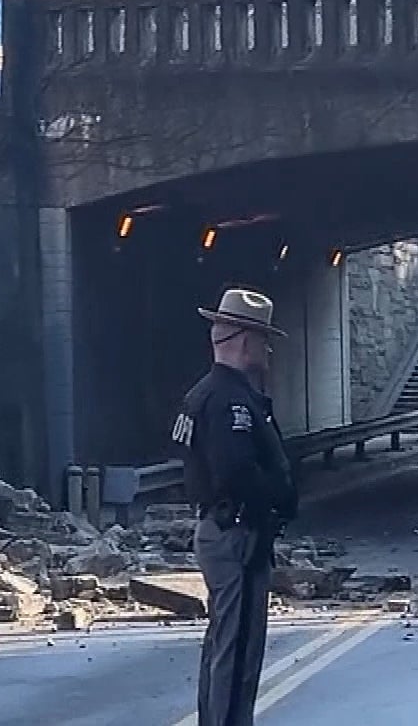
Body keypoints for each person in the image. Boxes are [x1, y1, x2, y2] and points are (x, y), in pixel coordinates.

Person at [172, 287, 297, 726]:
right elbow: (236, 473)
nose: (267, 351)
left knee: (228, 643)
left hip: (228, 529)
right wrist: (277, 499)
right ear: (244, 340)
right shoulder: (229, 400)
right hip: (237, 533)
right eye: (263, 340)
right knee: (237, 649)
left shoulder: (209, 393)